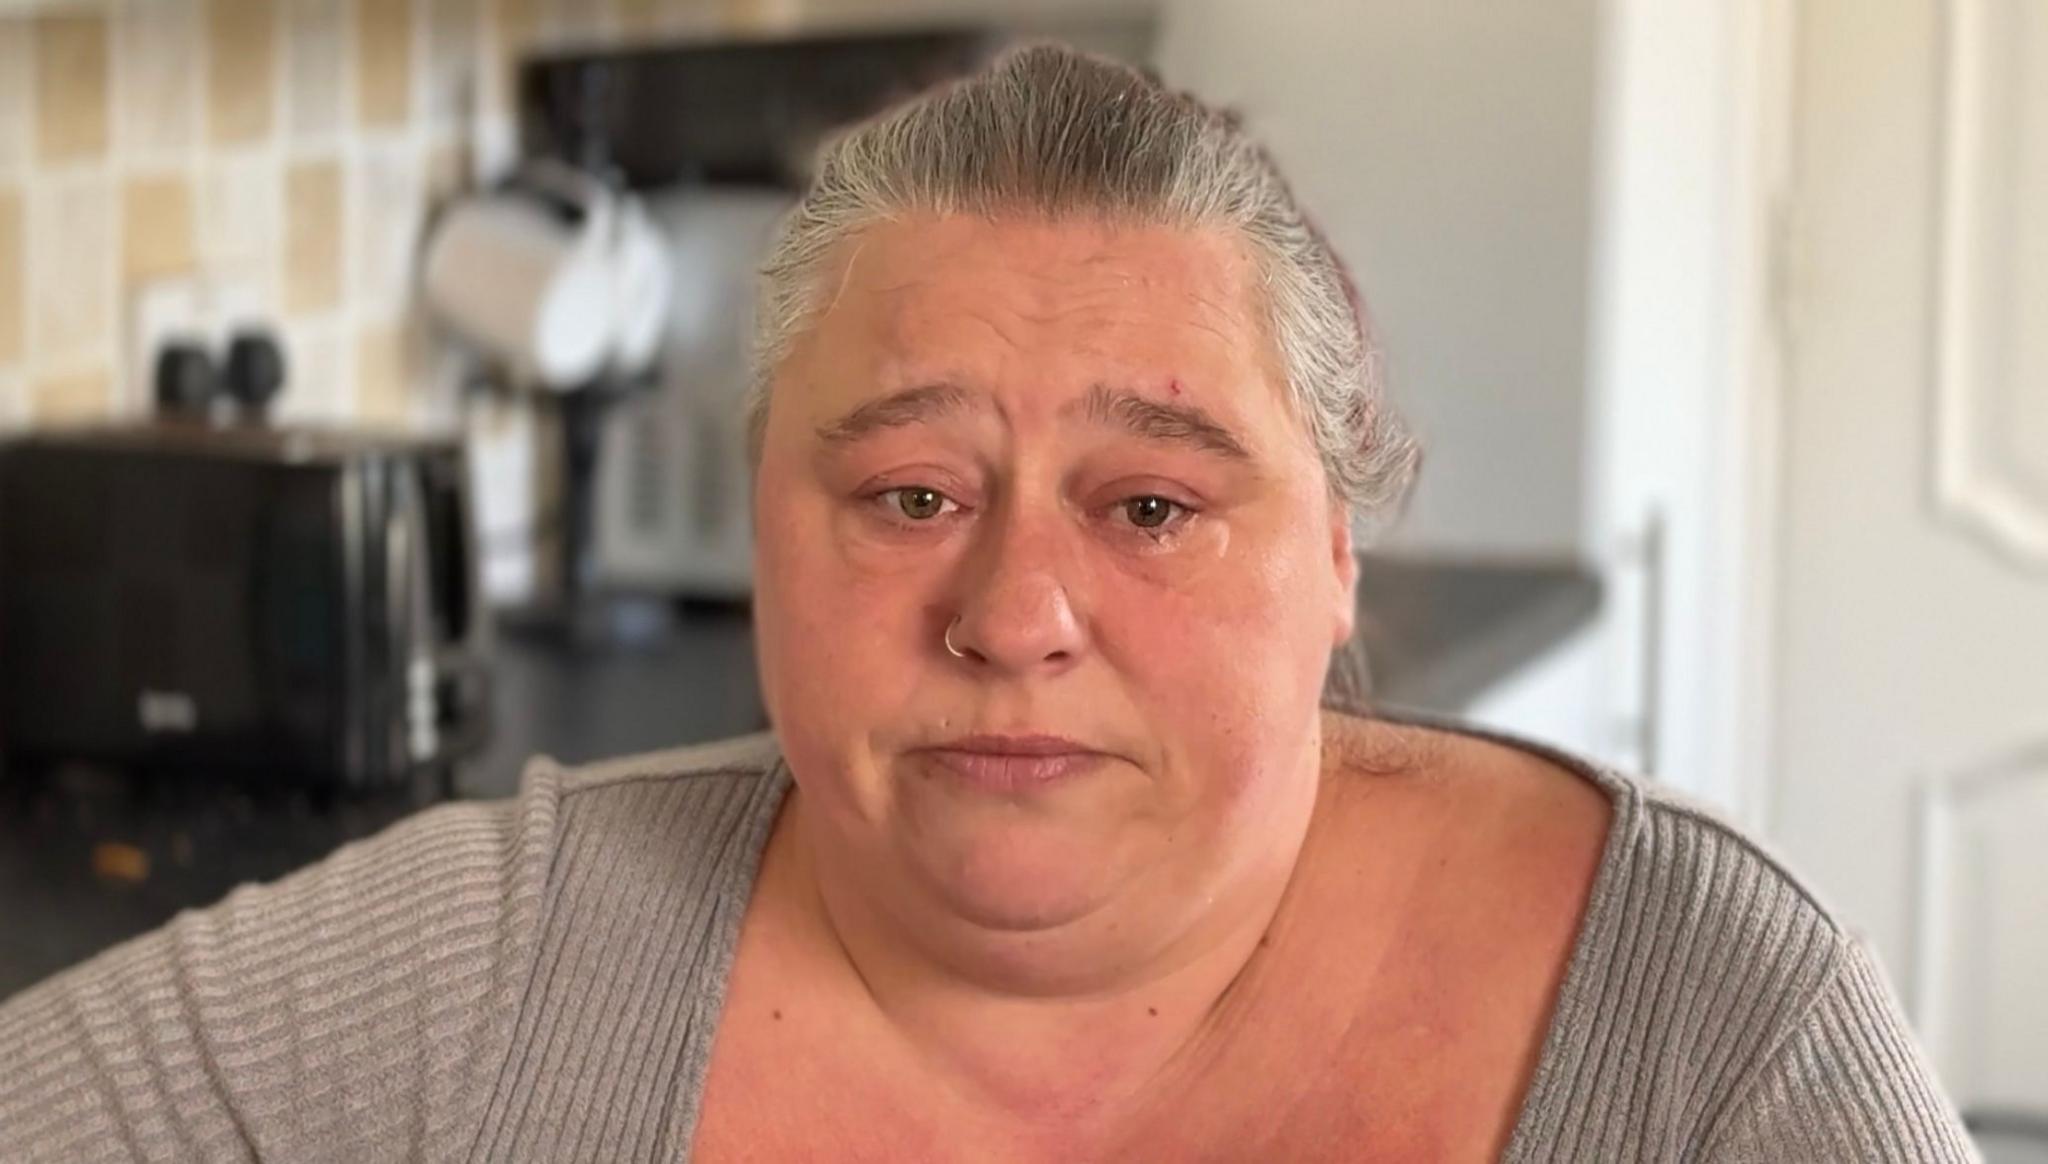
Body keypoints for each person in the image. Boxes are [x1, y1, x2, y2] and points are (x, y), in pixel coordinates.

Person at [0, 43, 1974, 1163]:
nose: (1015, 608)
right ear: (767, 532)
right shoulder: (482, 986)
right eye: (911, 491)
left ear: (1339, 559)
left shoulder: (1708, 1028)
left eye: (1152, 502)